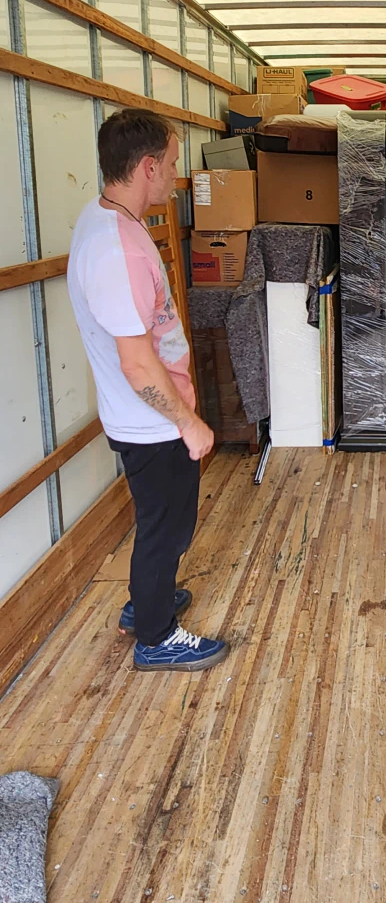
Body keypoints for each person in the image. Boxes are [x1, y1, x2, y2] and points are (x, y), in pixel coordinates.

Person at [67, 109, 228, 672]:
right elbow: (137, 364)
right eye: (173, 164)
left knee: (162, 524)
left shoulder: (107, 218)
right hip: (151, 423)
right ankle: (156, 636)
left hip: (144, 418)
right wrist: (187, 422)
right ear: (148, 167)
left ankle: (147, 602)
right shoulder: (118, 251)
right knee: (166, 529)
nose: (176, 177)